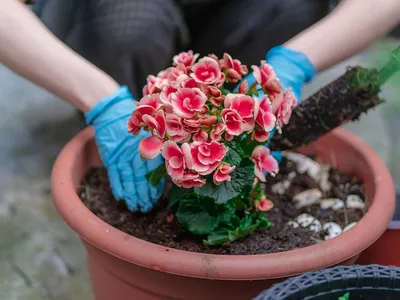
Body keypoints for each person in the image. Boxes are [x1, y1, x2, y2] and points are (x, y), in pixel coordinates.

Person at [1, 0, 399, 212]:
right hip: (116, 19)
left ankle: (233, 153)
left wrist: (295, 61)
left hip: (236, 21)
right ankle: (133, 128)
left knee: (291, 6)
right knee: (126, 27)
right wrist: (100, 99)